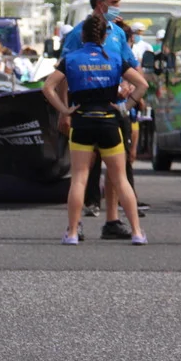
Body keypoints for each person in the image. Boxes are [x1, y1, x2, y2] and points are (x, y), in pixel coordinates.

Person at [44, 14, 148, 245]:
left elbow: (48, 87)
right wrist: (126, 106)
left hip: (82, 122)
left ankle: (72, 233)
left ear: (82, 35)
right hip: (109, 122)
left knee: (79, 179)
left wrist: (64, 109)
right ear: (104, 36)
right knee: (120, 179)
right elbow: (142, 84)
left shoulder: (71, 58)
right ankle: (137, 232)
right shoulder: (114, 57)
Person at [58, 0, 142, 238]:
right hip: (84, 108)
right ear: (100, 3)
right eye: (114, 2)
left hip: (113, 107)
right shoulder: (77, 34)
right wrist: (64, 110)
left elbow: (131, 65)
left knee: (117, 167)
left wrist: (128, 88)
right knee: (85, 167)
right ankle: (76, 223)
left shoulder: (117, 33)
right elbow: (62, 74)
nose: (119, 7)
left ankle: (112, 220)